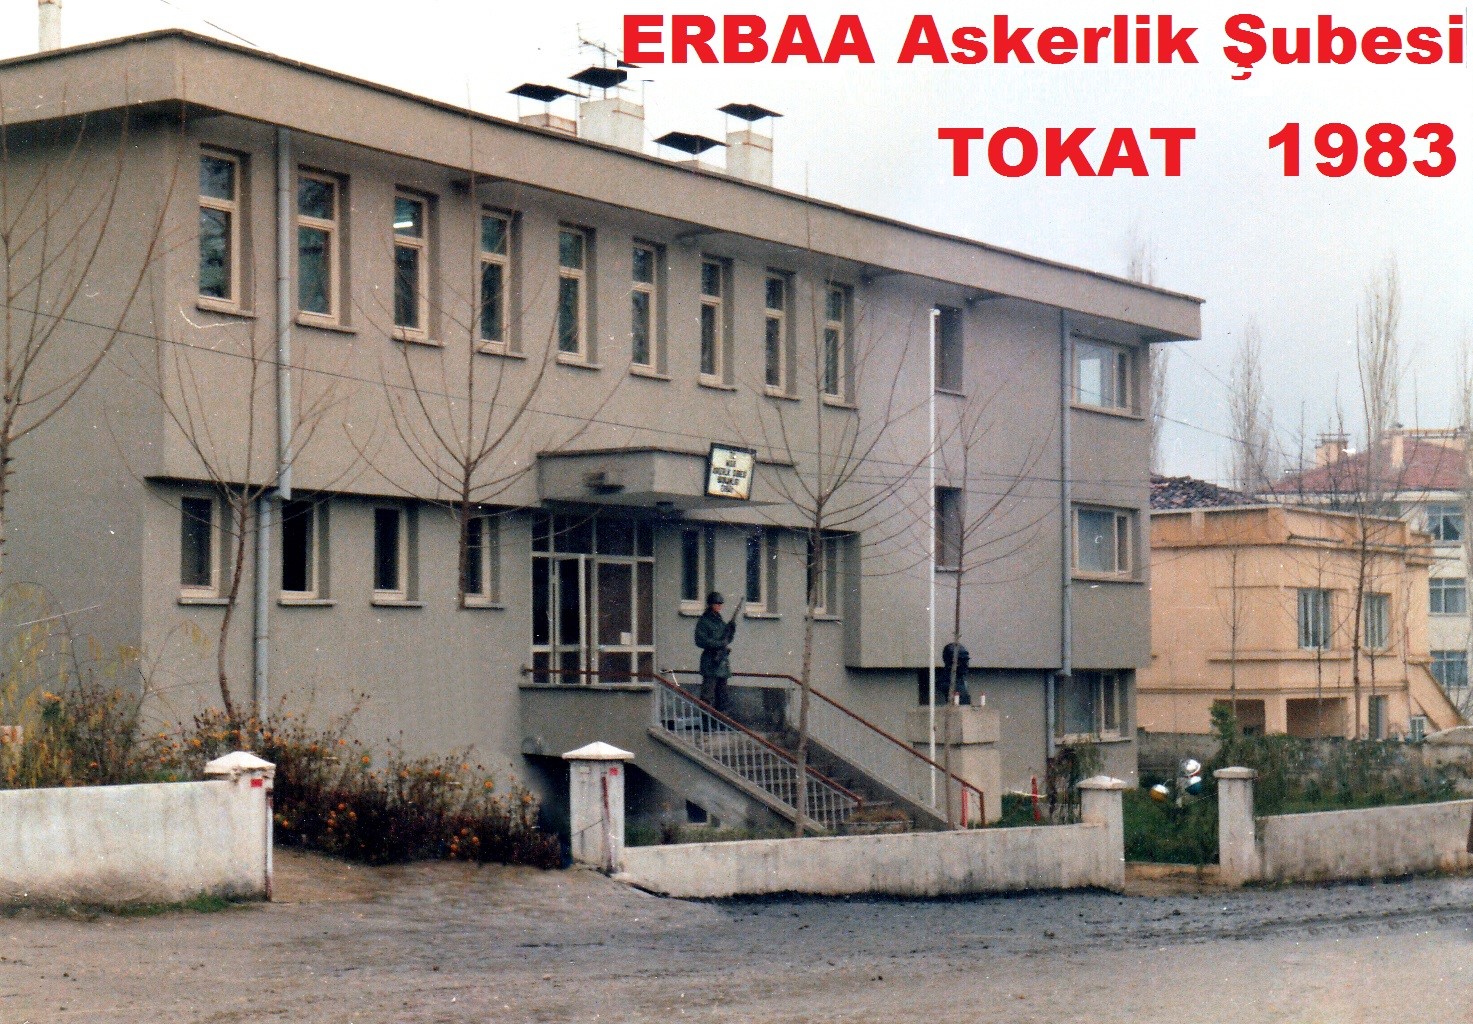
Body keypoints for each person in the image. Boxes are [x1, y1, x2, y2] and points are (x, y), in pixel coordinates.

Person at [694, 591, 736, 713]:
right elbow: (700, 641)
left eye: (720, 604)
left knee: (723, 697)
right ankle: (706, 722)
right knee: (707, 697)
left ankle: (720, 722)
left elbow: (727, 640)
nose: (719, 606)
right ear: (710, 604)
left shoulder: (720, 621)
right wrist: (718, 644)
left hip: (721, 664)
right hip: (710, 662)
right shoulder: (704, 621)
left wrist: (731, 630)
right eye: (717, 603)